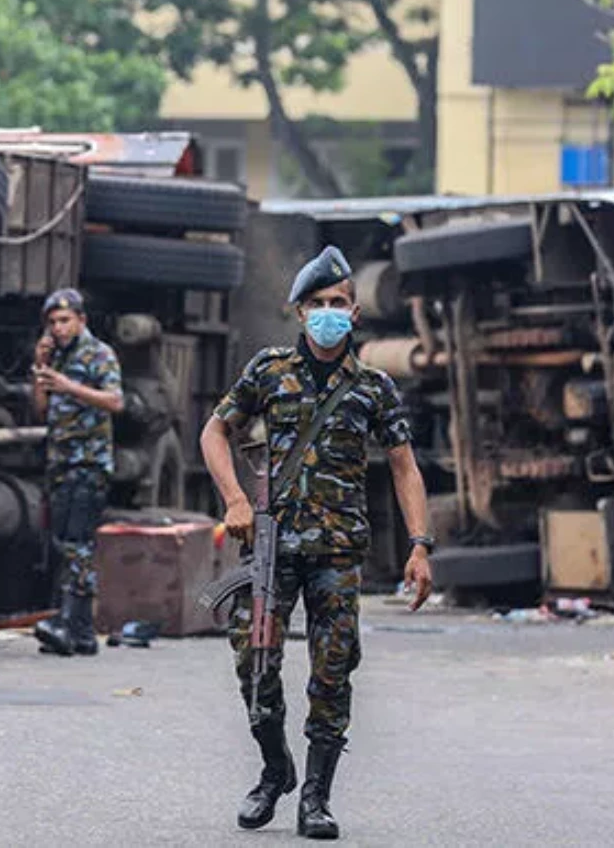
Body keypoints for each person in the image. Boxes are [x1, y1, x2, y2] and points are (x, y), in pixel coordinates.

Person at [199, 245, 434, 840]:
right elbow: (214, 431)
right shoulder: (269, 370)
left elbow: (405, 466)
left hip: (337, 552)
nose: (329, 312)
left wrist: (420, 545)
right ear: (299, 312)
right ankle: (275, 768)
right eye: (318, 304)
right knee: (255, 661)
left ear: (355, 314)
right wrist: (233, 499)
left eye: (339, 303)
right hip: (272, 547)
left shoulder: (374, 387)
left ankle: (316, 799)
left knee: (332, 672)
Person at [30, 288, 124, 657]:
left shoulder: (99, 354)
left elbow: (116, 400)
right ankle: (82, 633)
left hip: (88, 463)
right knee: (64, 544)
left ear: (81, 320)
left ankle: (69, 624)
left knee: (77, 545)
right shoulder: (55, 358)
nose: (58, 328)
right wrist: (40, 371)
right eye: (53, 322)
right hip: (60, 462)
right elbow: (40, 410)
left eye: (65, 320)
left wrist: (70, 385)